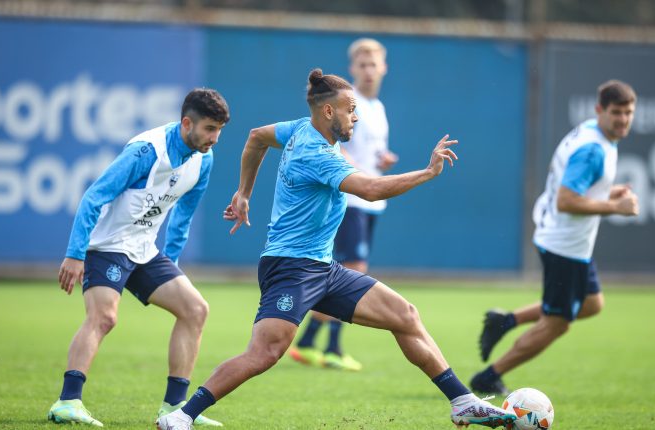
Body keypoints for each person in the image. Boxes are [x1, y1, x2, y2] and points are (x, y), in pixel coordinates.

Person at [156, 69, 516, 430]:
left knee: (405, 315)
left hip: (322, 267)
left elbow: (256, 137)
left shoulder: (300, 127)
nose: (356, 116)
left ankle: (462, 401)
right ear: (328, 112)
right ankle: (182, 415)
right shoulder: (315, 152)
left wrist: (244, 193)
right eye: (351, 109)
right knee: (264, 353)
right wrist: (427, 173)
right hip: (291, 268)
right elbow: (370, 190)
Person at [47, 88, 229, 427]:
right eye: (209, 129)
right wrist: (75, 254)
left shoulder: (204, 159)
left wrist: (171, 264)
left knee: (195, 310)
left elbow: (183, 214)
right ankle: (67, 401)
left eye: (219, 130)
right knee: (104, 318)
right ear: (186, 122)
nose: (214, 138)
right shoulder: (146, 152)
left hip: (145, 250)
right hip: (108, 245)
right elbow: (93, 197)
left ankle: (173, 408)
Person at [469, 80, 639, 395]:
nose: (623, 119)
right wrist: (614, 206)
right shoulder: (592, 149)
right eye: (617, 112)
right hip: (565, 245)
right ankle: (488, 377)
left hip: (565, 238)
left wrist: (607, 193)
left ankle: (505, 321)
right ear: (600, 110)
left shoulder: (594, 132)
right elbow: (566, 200)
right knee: (557, 323)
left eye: (629, 112)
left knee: (591, 304)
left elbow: (572, 187)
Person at [289, 38, 397, 372]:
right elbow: (338, 148)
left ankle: (308, 341)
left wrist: (382, 161)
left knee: (342, 273)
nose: (367, 70)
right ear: (353, 69)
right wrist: (359, 175)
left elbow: (370, 152)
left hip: (371, 202)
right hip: (352, 198)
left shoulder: (378, 109)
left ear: (383, 68)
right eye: (361, 64)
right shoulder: (348, 104)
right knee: (354, 270)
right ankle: (333, 347)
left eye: (373, 64)